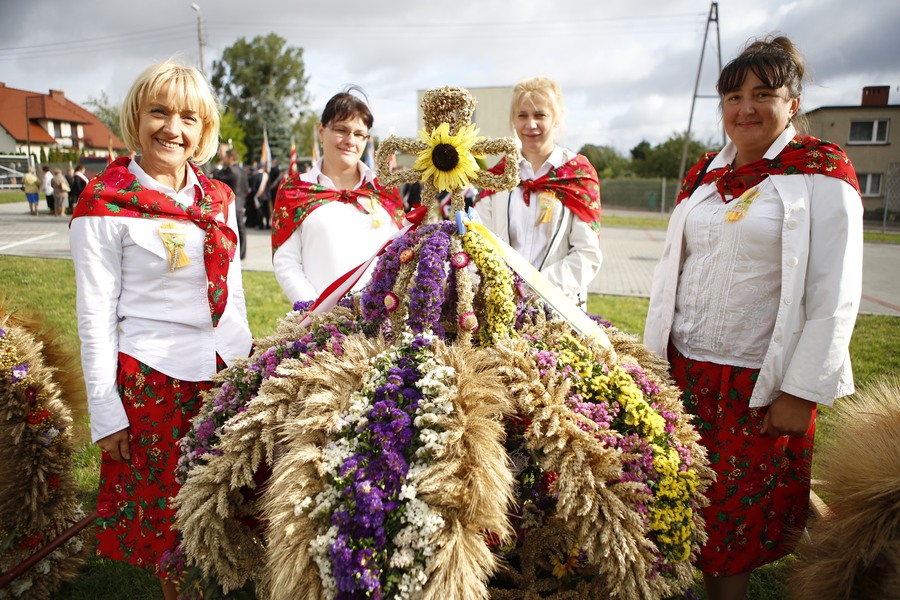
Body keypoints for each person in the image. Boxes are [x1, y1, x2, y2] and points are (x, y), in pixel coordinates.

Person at [643, 36, 863, 600]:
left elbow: (835, 293)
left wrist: (802, 391)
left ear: (792, 103)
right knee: (675, 500)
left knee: (732, 527)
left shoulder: (821, 172)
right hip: (684, 373)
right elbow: (675, 271)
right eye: (733, 96)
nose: (745, 108)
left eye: (763, 94)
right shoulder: (702, 176)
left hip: (757, 385)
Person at [69, 60, 252, 600]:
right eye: (159, 112)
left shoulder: (219, 199)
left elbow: (233, 293)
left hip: (222, 375)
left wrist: (248, 372)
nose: (173, 128)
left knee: (225, 502)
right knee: (165, 514)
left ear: (203, 130)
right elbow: (94, 317)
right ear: (136, 118)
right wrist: (106, 411)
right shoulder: (104, 204)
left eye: (188, 118)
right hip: (153, 380)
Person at [473, 77, 602, 308]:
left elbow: (587, 254)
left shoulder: (577, 176)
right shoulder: (498, 178)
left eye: (540, 115)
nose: (530, 124)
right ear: (514, 120)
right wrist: (499, 290)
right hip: (502, 308)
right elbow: (479, 245)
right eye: (522, 115)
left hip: (560, 311)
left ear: (556, 119)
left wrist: (534, 289)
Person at [271, 87, 404, 305]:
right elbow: (286, 263)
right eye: (341, 130)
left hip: (378, 322)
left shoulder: (384, 190)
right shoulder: (295, 190)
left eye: (359, 134)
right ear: (322, 131)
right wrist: (319, 315)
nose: (350, 140)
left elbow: (398, 257)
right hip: (316, 325)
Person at [213, 145, 249, 259]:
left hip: (233, 202)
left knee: (234, 228)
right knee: (241, 228)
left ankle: (236, 252)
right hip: (241, 201)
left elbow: (217, 178)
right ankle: (242, 253)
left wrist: (218, 166)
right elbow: (247, 188)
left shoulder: (230, 170)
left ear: (230, 158)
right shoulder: (242, 171)